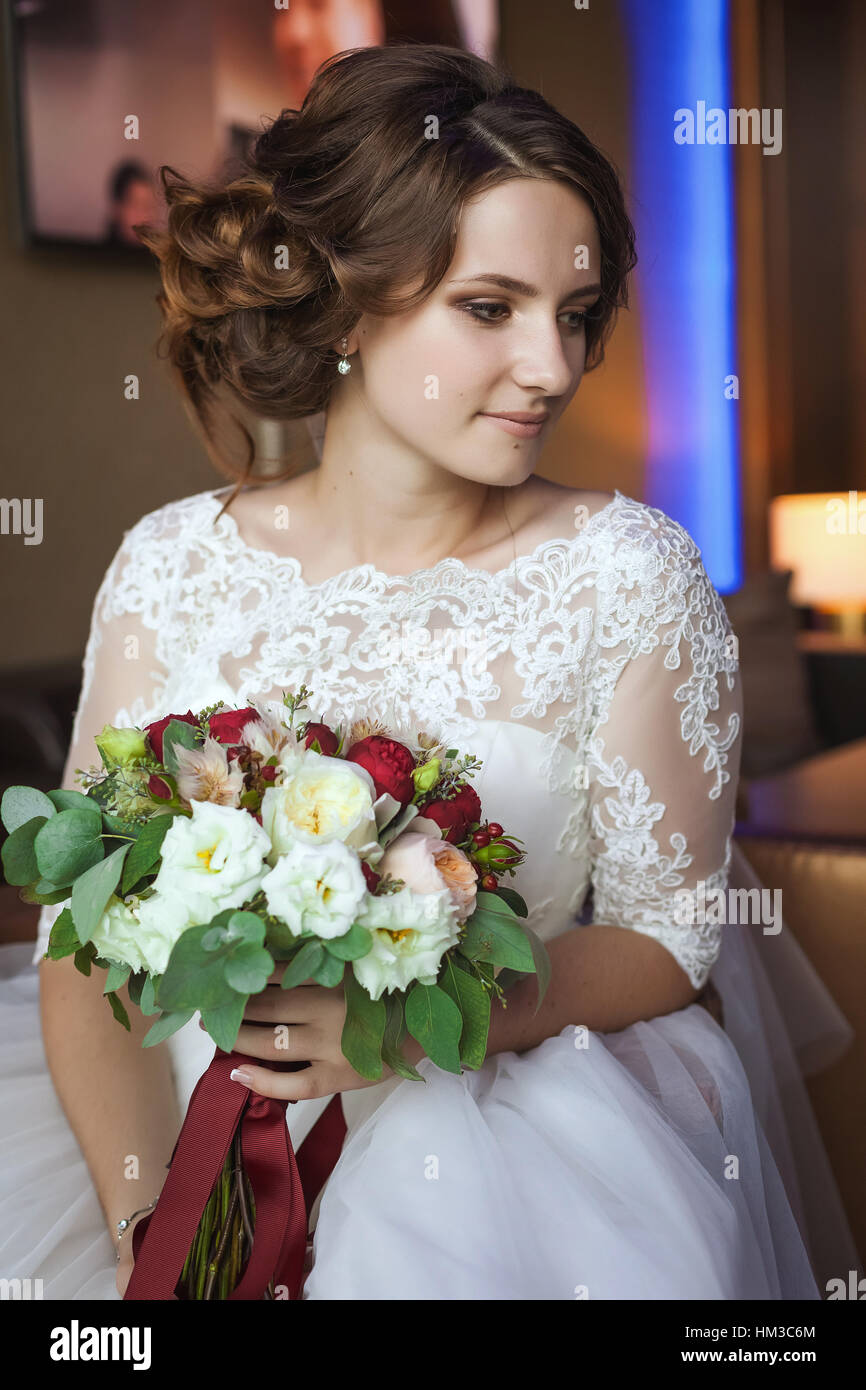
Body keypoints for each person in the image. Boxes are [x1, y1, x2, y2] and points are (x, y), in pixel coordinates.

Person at [1, 43, 857, 1301]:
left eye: (573, 316)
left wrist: (402, 1022)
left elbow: (669, 941)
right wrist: (156, 1226)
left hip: (514, 1133)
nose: (553, 369)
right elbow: (82, 941)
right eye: (489, 306)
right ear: (348, 303)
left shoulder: (627, 573)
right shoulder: (170, 564)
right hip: (174, 1113)